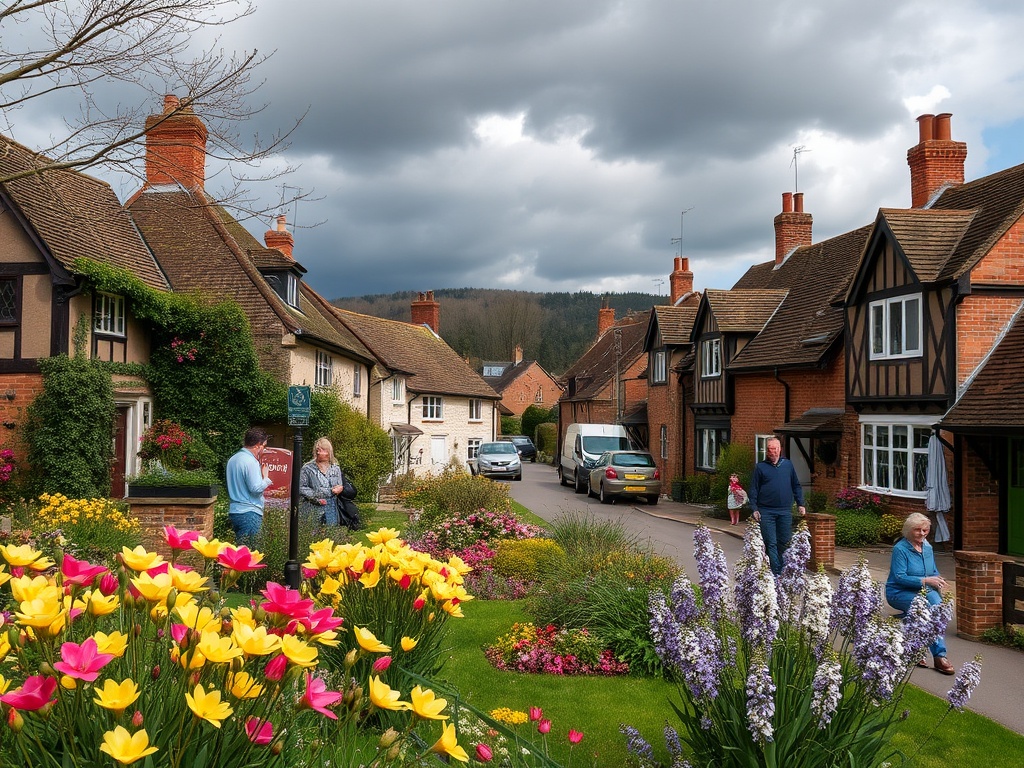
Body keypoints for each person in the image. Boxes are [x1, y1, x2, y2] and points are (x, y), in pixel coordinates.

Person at [886, 512, 955, 675]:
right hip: (899, 591)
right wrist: (925, 580)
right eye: (918, 530)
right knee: (925, 610)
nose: (922, 534)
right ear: (909, 530)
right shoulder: (900, 549)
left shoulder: (928, 547)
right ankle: (939, 656)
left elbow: (933, 571)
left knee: (939, 610)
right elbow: (899, 577)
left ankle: (910, 641)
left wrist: (939, 581)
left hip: (924, 590)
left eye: (925, 530)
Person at [749, 436, 805, 575]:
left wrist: (800, 503)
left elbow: (796, 485)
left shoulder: (788, 465)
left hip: (785, 511)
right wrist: (754, 509)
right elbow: (754, 489)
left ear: (779, 450)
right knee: (771, 542)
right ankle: (776, 573)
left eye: (774, 449)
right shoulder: (760, 467)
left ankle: (783, 569)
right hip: (766, 511)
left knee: (785, 541)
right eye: (769, 450)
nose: (771, 452)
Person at [225, 427, 273, 545]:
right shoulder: (251, 461)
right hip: (250, 512)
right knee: (251, 553)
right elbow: (255, 489)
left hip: (235, 512)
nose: (264, 449)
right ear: (258, 445)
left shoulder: (233, 459)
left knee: (241, 551)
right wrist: (266, 478)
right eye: (264, 446)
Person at [298, 437, 347, 527]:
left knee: (331, 535)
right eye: (317, 450)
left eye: (322, 450)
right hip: (312, 508)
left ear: (329, 452)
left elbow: (339, 484)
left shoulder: (335, 468)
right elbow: (301, 487)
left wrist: (340, 488)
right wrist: (316, 497)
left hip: (331, 508)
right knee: (313, 535)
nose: (319, 452)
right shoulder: (307, 468)